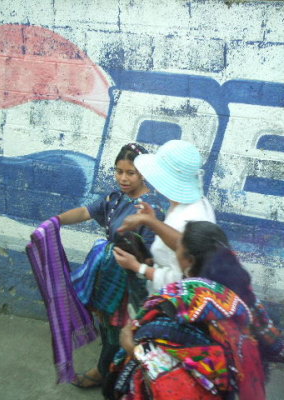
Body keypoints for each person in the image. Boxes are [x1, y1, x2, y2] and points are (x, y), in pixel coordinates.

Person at [106, 221, 284, 400]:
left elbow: (166, 379)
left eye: (178, 248)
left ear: (189, 260)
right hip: (242, 388)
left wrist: (130, 347)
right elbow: (274, 343)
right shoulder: (242, 292)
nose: (175, 252)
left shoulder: (174, 301)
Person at [58, 143, 165, 388]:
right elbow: (85, 212)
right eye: (119, 171)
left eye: (131, 173)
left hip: (130, 282)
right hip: (109, 275)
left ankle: (104, 373)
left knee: (120, 331)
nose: (123, 178)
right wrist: (56, 221)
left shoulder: (150, 209)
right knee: (109, 328)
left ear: (143, 174)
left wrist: (132, 263)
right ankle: (113, 370)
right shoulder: (114, 198)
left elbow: (149, 256)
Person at [113, 139, 216, 294]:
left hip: (173, 304)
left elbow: (181, 279)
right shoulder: (188, 203)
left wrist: (137, 267)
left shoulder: (191, 216)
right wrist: (153, 221)